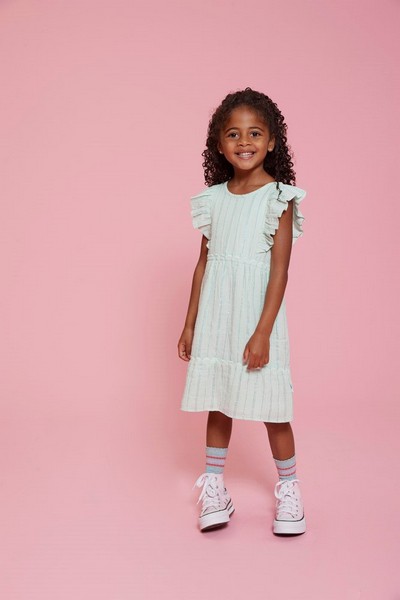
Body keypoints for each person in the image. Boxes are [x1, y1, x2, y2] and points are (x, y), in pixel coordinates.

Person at [177, 87, 307, 536]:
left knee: (273, 406)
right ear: (219, 144)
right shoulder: (213, 200)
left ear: (272, 142)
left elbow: (280, 270)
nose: (244, 141)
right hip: (218, 316)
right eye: (233, 133)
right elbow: (203, 264)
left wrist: (263, 331)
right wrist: (190, 323)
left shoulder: (279, 198)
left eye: (255, 133)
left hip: (257, 318)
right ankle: (215, 488)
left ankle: (290, 489)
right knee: (219, 400)